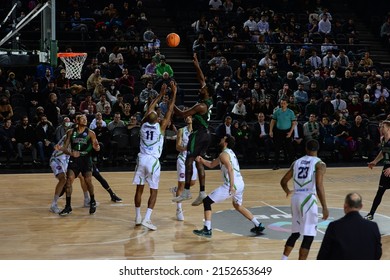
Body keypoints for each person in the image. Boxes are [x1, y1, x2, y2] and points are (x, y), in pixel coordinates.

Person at [193, 134, 265, 238]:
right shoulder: (228, 153)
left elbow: (230, 169)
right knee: (237, 206)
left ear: (225, 142)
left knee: (207, 201)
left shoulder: (224, 155)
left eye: (222, 138)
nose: (220, 139)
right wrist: (202, 160)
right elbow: (212, 164)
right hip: (240, 183)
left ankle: (207, 229)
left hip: (232, 184)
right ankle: (258, 224)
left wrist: (231, 186)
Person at [133, 82, 177, 231]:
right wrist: (174, 93)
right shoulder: (161, 128)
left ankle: (138, 217)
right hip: (153, 161)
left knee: (139, 189)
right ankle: (147, 219)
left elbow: (151, 108)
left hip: (141, 159)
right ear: (157, 119)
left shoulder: (143, 125)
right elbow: (170, 109)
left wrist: (159, 94)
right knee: (154, 190)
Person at [172, 53, 213, 206]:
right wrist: (196, 65)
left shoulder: (200, 106)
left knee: (189, 160)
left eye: (202, 89)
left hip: (199, 134)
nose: (200, 89)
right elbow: (202, 79)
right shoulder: (208, 100)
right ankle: (202, 192)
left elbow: (182, 114)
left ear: (206, 92)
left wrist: (171, 99)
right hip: (207, 134)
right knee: (199, 162)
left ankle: (187, 191)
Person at [280, 139, 329, 260]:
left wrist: (287, 191)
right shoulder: (320, 164)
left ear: (306, 149)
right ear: (317, 149)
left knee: (295, 233)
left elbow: (283, 181)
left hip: (296, 198)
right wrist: (324, 207)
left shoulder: (296, 162)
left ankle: (283, 260)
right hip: (308, 199)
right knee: (308, 236)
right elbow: (318, 186)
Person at [317, 192, 382, 260]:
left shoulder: (334, 226)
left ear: (345, 206)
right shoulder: (373, 227)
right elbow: (378, 253)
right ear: (361, 206)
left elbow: (323, 254)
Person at [58, 114, 101, 216]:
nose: (85, 120)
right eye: (83, 119)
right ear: (77, 121)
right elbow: (64, 148)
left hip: (86, 160)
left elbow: (97, 147)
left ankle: (92, 200)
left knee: (88, 180)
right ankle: (68, 206)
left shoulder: (91, 133)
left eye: (86, 119)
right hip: (74, 160)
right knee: (68, 182)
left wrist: (97, 147)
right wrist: (71, 153)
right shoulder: (70, 132)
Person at [170, 116, 198, 221]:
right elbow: (177, 147)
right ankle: (179, 210)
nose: (187, 118)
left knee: (192, 182)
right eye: (186, 116)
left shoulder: (196, 131)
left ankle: (176, 190)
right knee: (182, 184)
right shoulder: (181, 131)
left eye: (190, 116)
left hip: (192, 159)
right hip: (183, 159)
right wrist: (187, 147)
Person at [365, 120, 390, 220]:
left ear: (388, 128)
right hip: (386, 168)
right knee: (380, 191)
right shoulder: (382, 139)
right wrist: (375, 161)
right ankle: (371, 214)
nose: (380, 129)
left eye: (382, 127)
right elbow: (383, 152)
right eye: (380, 127)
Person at [269, 98, 297, 170]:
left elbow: (293, 123)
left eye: (284, 103)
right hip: (278, 132)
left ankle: (292, 165)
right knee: (277, 148)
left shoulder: (290, 112)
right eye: (281, 103)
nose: (283, 105)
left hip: (287, 132)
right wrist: (271, 131)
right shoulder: (277, 111)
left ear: (287, 104)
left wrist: (290, 132)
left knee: (289, 148)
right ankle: (276, 164)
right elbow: (273, 121)